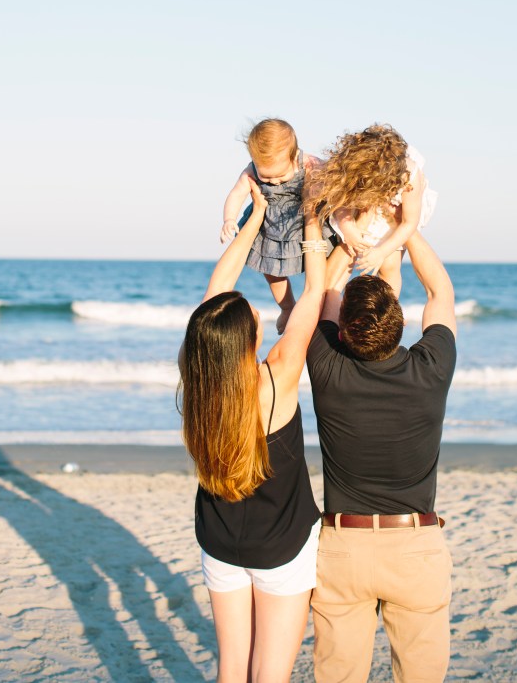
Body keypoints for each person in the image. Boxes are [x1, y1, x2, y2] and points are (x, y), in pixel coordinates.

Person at [180, 176, 327, 683]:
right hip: (281, 549)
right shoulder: (277, 375)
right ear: (248, 338)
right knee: (269, 674)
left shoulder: (199, 378)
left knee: (232, 669)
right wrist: (312, 220)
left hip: (218, 542)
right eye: (254, 319)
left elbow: (215, 294)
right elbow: (315, 294)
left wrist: (254, 219)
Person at [306, 231, 457, 683]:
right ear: (402, 322)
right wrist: (405, 228)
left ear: (344, 331)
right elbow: (440, 292)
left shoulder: (326, 366)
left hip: (343, 548)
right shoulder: (431, 368)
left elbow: (324, 293)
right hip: (414, 547)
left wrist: (347, 243)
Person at [220, 117, 334, 332]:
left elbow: (332, 180)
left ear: (294, 155)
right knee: (271, 271)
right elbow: (236, 194)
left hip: (302, 225)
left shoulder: (309, 163)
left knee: (322, 262)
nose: (273, 182)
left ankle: (321, 303)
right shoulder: (251, 171)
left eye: (281, 176)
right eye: (267, 177)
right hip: (269, 229)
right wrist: (229, 219)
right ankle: (287, 306)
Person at [309, 124, 437, 297]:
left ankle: (388, 305)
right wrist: (348, 227)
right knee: (349, 246)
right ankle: (332, 296)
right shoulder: (351, 170)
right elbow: (340, 199)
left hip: (394, 209)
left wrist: (382, 252)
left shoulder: (409, 177)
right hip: (357, 199)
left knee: (389, 265)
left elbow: (409, 223)